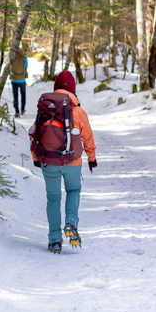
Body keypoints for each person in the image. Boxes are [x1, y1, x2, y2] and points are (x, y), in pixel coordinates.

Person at [30, 70, 97, 254]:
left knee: (53, 198)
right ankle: (71, 223)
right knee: (73, 190)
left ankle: (54, 240)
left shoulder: (45, 108)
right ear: (73, 89)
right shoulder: (78, 111)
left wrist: (36, 158)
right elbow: (88, 138)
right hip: (72, 161)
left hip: (49, 161)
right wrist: (91, 158)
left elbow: (35, 134)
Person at [9, 47, 28, 118]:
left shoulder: (12, 57)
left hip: (14, 79)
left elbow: (9, 66)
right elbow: (26, 67)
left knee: (15, 96)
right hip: (22, 79)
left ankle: (17, 112)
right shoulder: (24, 58)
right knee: (23, 95)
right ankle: (22, 109)